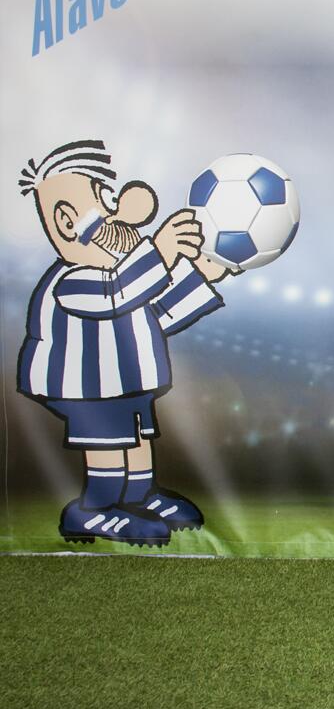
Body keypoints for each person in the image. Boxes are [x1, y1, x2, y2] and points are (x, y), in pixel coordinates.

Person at [16, 139, 230, 546]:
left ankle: (139, 495)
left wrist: (201, 276)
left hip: (125, 382)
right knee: (109, 440)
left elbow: (156, 314)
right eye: (104, 200)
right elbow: (115, 294)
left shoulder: (118, 277)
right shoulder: (72, 279)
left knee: (136, 436)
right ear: (66, 222)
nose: (120, 213)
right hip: (87, 388)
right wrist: (161, 252)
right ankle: (93, 510)